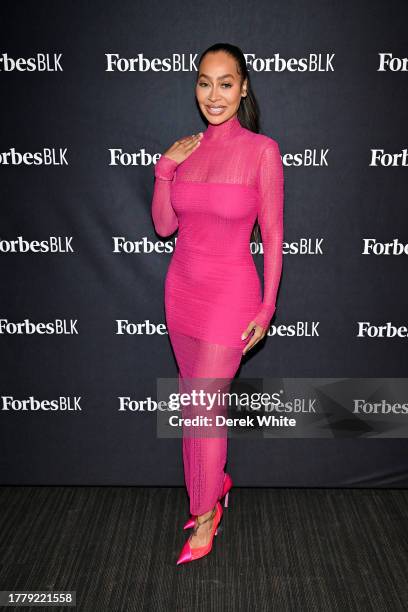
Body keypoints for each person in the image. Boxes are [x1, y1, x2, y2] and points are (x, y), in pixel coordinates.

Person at [151, 42, 284, 565]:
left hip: (231, 297)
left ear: (244, 87)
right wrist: (165, 168)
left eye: (225, 83)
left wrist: (268, 306)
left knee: (204, 410)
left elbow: (272, 236)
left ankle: (205, 512)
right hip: (181, 293)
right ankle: (215, 486)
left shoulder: (261, 151)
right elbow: (164, 226)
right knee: (195, 411)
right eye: (204, 82)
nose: (214, 94)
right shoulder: (186, 149)